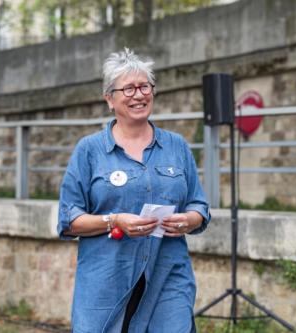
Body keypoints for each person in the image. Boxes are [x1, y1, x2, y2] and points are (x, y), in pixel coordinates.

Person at [57, 48, 211, 333]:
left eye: (144, 86)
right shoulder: (89, 151)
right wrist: (114, 221)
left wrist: (190, 220)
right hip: (107, 281)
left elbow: (199, 205)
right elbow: (69, 220)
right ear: (109, 99)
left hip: (168, 276)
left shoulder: (176, 146)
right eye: (128, 89)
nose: (138, 95)